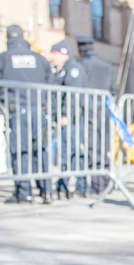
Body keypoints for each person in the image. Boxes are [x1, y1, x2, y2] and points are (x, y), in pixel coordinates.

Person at [0, 25, 54, 203]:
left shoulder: (1, 59)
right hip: (40, 111)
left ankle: (24, 193)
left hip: (17, 112)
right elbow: (52, 88)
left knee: (21, 152)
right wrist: (52, 113)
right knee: (41, 151)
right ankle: (46, 191)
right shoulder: (40, 59)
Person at [76, 36, 118, 194]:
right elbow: (114, 88)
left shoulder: (80, 64)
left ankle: (93, 186)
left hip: (86, 112)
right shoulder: (106, 65)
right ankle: (104, 184)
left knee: (90, 149)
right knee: (104, 148)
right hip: (104, 111)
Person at [49, 39, 90, 199]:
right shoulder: (61, 70)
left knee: (72, 152)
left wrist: (65, 114)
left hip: (73, 118)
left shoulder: (73, 69)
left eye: (54, 53)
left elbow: (73, 96)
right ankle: (64, 184)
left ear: (63, 54)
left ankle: (78, 185)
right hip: (66, 118)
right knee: (67, 152)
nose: (52, 57)